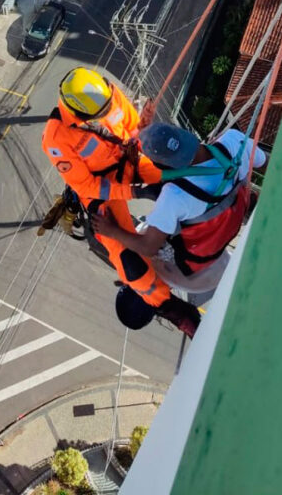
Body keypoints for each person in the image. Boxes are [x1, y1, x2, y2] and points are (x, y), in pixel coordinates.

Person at [42, 70, 200, 337]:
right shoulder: (57, 139)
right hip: (102, 190)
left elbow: (129, 130)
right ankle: (171, 309)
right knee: (129, 262)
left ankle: (215, 215)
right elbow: (88, 186)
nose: (106, 111)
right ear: (80, 114)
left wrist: (143, 127)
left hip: (130, 159)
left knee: (182, 182)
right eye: (98, 113)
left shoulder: (106, 93)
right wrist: (134, 192)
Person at [92, 122, 267, 306]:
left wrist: (112, 231)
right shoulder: (234, 141)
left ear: (163, 165)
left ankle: (150, 295)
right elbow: (266, 162)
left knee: (142, 238)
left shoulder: (175, 196)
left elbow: (148, 247)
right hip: (226, 230)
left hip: (193, 267)